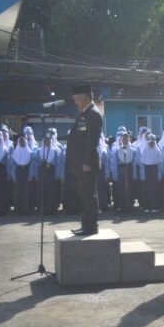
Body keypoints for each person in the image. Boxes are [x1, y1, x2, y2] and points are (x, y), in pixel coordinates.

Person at [66, 84, 104, 236]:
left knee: (89, 194)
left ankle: (91, 226)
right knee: (84, 193)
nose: (76, 102)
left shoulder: (93, 114)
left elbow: (92, 141)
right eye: (74, 99)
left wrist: (87, 162)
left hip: (87, 163)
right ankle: (86, 224)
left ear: (88, 97)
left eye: (78, 99)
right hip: (80, 162)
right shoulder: (84, 114)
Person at [111, 132, 138, 213]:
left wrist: (134, 173)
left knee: (129, 188)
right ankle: (122, 205)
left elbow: (134, 163)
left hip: (129, 169)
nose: (125, 140)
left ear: (129, 139)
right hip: (121, 169)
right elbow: (114, 163)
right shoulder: (117, 150)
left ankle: (129, 205)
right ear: (121, 140)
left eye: (126, 138)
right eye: (123, 139)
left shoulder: (133, 150)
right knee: (121, 188)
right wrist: (115, 174)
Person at [137, 133, 164, 213]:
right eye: (150, 143)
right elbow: (142, 163)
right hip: (146, 171)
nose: (151, 144)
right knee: (146, 189)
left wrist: (159, 174)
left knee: (154, 190)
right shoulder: (144, 151)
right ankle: (147, 206)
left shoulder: (158, 151)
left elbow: (160, 164)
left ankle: (154, 207)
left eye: (153, 142)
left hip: (154, 171)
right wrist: (143, 174)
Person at [35, 134, 61, 215]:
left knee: (51, 191)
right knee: (42, 190)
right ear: (43, 142)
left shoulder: (55, 151)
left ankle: (51, 209)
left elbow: (57, 164)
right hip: (42, 172)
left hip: (51, 172)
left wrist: (57, 175)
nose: (47, 142)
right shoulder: (39, 151)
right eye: (46, 141)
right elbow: (36, 163)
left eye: (49, 140)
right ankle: (41, 209)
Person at [10, 136, 35, 215]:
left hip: (26, 173)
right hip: (18, 173)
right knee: (18, 192)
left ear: (26, 142)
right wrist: (13, 176)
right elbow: (12, 166)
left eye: (23, 141)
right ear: (18, 143)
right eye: (20, 141)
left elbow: (32, 165)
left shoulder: (30, 152)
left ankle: (26, 209)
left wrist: (30, 175)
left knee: (26, 192)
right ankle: (18, 210)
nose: (22, 143)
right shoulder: (15, 153)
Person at [97, 134, 112, 213]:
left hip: (101, 171)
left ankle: (102, 206)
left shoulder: (105, 148)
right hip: (93, 171)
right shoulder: (91, 148)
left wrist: (107, 174)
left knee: (101, 189)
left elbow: (107, 163)